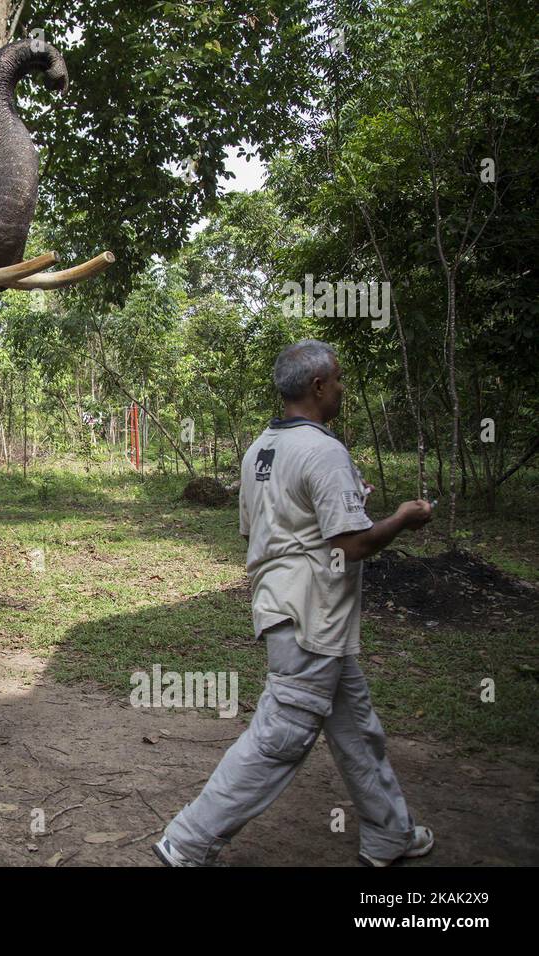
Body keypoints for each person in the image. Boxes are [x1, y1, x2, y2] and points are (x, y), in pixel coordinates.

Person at [155, 339, 436, 867]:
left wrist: (353, 503)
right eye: (340, 380)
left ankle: (389, 834)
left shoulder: (260, 449)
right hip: (311, 617)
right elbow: (350, 545)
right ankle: (188, 840)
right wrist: (401, 519)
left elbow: (268, 527)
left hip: (292, 612)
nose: (342, 389)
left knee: (356, 730)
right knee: (280, 737)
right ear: (318, 386)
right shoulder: (324, 450)